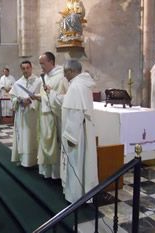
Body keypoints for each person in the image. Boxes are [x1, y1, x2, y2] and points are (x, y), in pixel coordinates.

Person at [58, 59, 98, 203]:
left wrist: (70, 136)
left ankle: (74, 195)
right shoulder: (83, 84)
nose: (64, 75)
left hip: (76, 135)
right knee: (83, 164)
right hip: (83, 131)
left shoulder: (76, 86)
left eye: (65, 72)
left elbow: (75, 113)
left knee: (76, 163)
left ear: (71, 71)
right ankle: (82, 193)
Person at [34, 52, 68, 179]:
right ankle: (46, 172)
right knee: (44, 143)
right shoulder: (45, 77)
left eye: (43, 63)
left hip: (54, 116)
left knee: (55, 145)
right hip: (44, 115)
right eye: (40, 64)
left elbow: (64, 97)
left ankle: (56, 174)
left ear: (51, 62)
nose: (41, 66)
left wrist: (49, 96)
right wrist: (37, 97)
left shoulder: (61, 76)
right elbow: (45, 95)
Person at [9, 61, 42, 167]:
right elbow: (12, 97)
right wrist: (19, 101)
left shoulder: (38, 81)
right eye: (23, 68)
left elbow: (43, 96)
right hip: (21, 114)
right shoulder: (17, 83)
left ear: (31, 68)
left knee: (32, 136)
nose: (26, 70)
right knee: (22, 136)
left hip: (33, 114)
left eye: (28, 68)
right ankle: (23, 159)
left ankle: (34, 160)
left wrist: (32, 101)